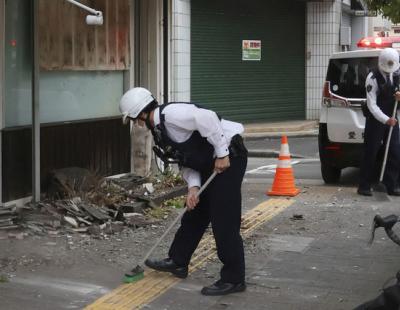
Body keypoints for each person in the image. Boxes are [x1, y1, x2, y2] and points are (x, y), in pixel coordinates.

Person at [119, 87, 248, 296]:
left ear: (141, 113)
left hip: (230, 157)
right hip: (208, 162)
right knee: (195, 212)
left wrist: (223, 154)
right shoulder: (160, 130)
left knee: (224, 218)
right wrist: (193, 188)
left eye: (135, 119)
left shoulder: (171, 115)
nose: (136, 123)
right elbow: (187, 159)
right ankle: (178, 261)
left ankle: (234, 279)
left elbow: (208, 117)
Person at [358, 48, 400, 196]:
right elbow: (372, 105)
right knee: (371, 152)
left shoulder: (397, 74)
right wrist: (385, 119)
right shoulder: (372, 77)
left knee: (395, 151)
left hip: (393, 118)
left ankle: (391, 185)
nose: (390, 71)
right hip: (376, 120)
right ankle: (364, 186)